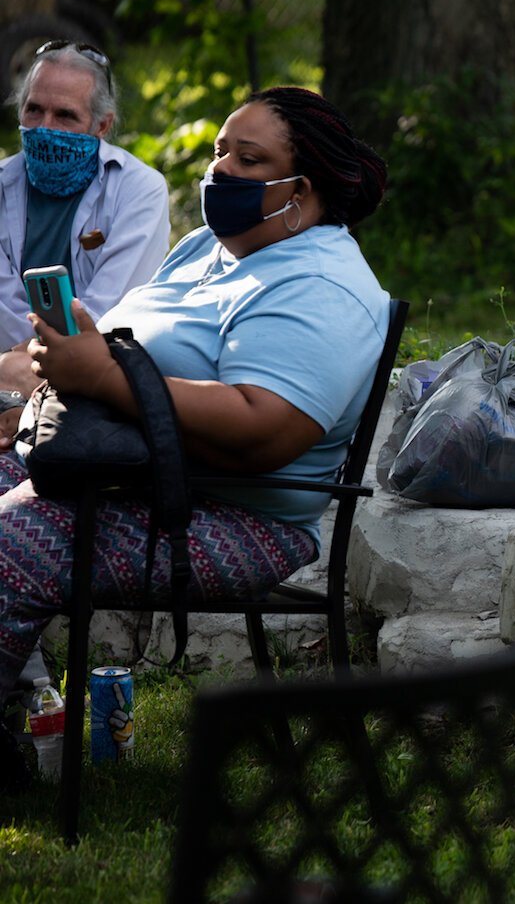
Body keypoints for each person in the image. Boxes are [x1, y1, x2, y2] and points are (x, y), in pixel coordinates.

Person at [0, 86, 390, 788]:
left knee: (8, 542)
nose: (221, 171)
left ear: (300, 191)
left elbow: (264, 429)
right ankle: (18, 717)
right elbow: (122, 349)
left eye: (248, 159)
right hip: (120, 469)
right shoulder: (205, 248)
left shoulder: (324, 286)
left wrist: (101, 378)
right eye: (219, 151)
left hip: (232, 515)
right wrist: (64, 363)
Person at [0, 41, 170, 446]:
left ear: (102, 125)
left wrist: (27, 364)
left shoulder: (139, 190)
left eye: (65, 115)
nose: (45, 127)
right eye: (34, 110)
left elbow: (112, 305)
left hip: (94, 370)